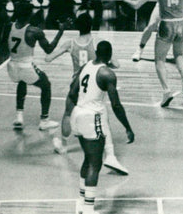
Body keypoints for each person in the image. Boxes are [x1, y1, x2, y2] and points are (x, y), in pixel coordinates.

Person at [62, 41, 134, 214]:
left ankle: (81, 203)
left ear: (96, 53)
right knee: (95, 163)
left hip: (78, 114)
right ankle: (88, 213)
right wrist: (127, 127)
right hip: (92, 117)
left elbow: (72, 91)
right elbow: (116, 105)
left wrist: (68, 115)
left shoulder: (86, 66)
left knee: (87, 159)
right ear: (110, 55)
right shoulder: (107, 74)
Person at [46, 13, 128, 175]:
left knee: (68, 114)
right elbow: (116, 64)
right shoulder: (97, 42)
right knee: (101, 117)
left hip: (76, 84)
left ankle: (63, 145)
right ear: (92, 25)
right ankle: (109, 154)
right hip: (93, 83)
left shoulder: (70, 43)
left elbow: (48, 58)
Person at [7, 2, 66, 131]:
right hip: (25, 66)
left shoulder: (9, 26)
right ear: (30, 13)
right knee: (46, 85)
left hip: (11, 66)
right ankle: (44, 120)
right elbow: (49, 49)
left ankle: (19, 117)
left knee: (21, 81)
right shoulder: (34, 31)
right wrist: (60, 31)